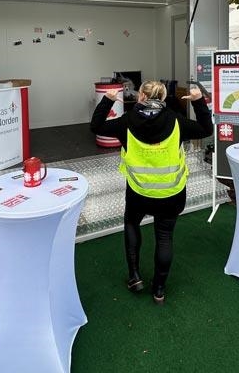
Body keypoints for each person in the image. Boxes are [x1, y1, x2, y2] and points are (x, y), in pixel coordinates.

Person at [90, 80, 213, 304]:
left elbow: (96, 127)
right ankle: (159, 289)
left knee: (131, 224)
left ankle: (135, 276)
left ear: (141, 97)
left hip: (139, 193)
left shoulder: (126, 122)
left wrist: (107, 101)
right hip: (171, 194)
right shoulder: (176, 121)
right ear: (163, 98)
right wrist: (198, 102)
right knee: (164, 237)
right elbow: (206, 129)